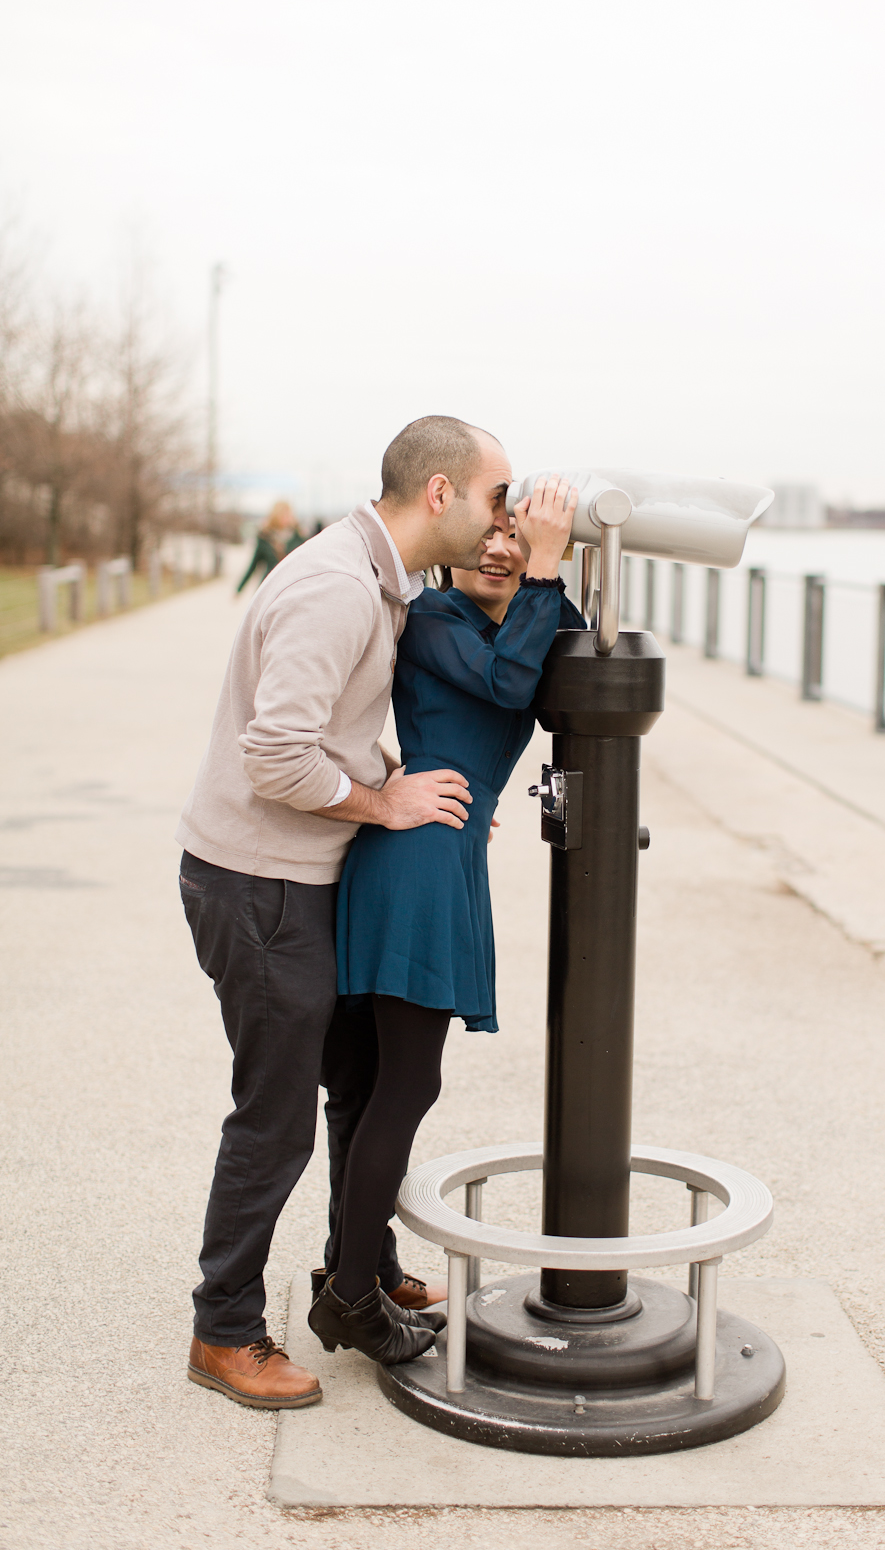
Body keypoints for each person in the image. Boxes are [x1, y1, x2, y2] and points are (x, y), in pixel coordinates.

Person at [177, 416, 512, 1410]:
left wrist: (398, 778)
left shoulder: (379, 580)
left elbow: (331, 732)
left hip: (299, 875)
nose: (503, 517)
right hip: (258, 884)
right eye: (496, 495)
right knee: (275, 1118)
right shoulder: (333, 587)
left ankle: (352, 1269)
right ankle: (223, 1328)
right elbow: (274, 754)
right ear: (442, 494)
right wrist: (384, 802)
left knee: (358, 1084)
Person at [307, 477, 584, 1363]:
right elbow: (509, 689)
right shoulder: (432, 620)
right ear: (457, 539)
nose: (502, 549)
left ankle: (358, 1272)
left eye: (520, 537)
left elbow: (565, 667)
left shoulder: (511, 620)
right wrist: (542, 566)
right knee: (406, 1085)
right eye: (492, 534)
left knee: (380, 1084)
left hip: (442, 852)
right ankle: (350, 1297)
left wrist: (560, 560)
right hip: (415, 865)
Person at [236, 500, 305, 593]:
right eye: (282, 515)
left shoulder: (299, 537)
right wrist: (239, 588)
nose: (285, 518)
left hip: (292, 587)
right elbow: (254, 565)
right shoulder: (265, 537)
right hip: (269, 587)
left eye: (287, 515)